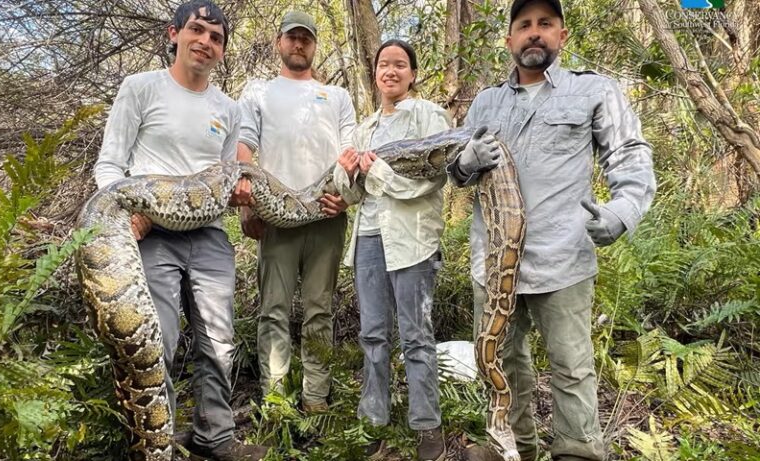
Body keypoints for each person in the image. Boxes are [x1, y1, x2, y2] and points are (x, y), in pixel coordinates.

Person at [448, 0, 656, 460]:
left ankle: (577, 451)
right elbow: (454, 169)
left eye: (545, 24)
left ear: (561, 35)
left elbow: (630, 155)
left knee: (571, 366)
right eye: (524, 25)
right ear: (509, 41)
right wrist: (464, 162)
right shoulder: (486, 101)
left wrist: (621, 211)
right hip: (493, 262)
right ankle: (513, 448)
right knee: (502, 363)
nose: (534, 33)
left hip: (562, 257)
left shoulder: (593, 91)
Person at [93, 1, 266, 460]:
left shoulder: (227, 109)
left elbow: (229, 177)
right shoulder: (141, 88)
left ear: (223, 51)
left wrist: (243, 195)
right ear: (174, 34)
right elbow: (111, 163)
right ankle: (158, 444)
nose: (206, 42)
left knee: (219, 343)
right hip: (151, 235)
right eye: (198, 30)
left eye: (216, 37)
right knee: (158, 341)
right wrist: (123, 213)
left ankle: (215, 437)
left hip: (208, 235)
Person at [333, 39, 479, 461]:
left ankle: (426, 424)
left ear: (412, 74)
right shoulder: (365, 127)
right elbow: (353, 195)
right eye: (383, 65)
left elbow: (431, 181)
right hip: (368, 240)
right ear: (375, 73)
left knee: (417, 336)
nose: (391, 71)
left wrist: (376, 171)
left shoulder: (430, 116)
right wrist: (346, 173)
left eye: (400, 65)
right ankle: (373, 418)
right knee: (373, 334)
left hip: (413, 240)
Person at [236, 10, 356, 412]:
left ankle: (316, 397)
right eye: (292, 37)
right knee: (274, 309)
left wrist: (347, 197)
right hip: (276, 219)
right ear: (279, 42)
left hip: (327, 215)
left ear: (314, 44)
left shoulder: (336, 96)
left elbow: (349, 155)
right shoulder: (258, 92)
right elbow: (244, 147)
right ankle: (275, 399)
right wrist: (248, 202)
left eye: (306, 38)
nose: (299, 44)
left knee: (320, 309)